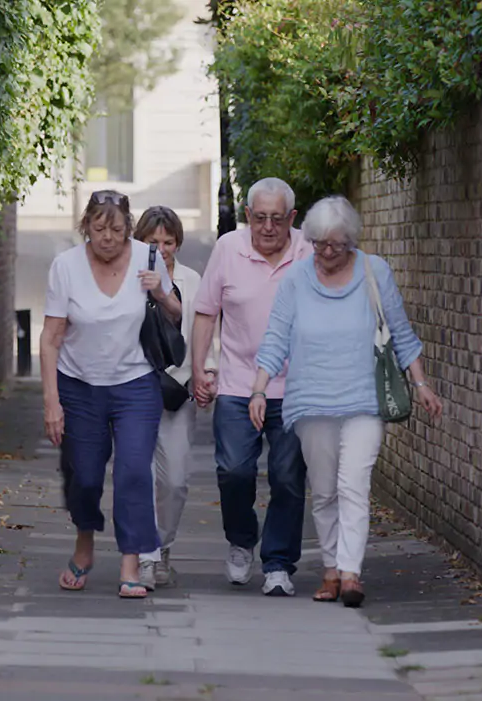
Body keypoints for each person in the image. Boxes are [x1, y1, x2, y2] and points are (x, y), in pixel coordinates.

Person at [249, 195, 443, 608]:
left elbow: (401, 331)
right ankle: (331, 569)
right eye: (319, 244)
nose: (326, 253)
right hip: (311, 402)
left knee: (354, 484)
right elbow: (276, 337)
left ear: (351, 240)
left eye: (335, 245)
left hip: (364, 400)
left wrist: (421, 383)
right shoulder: (297, 279)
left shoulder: (375, 272)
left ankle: (351, 572)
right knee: (323, 491)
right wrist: (260, 389)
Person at [40, 190, 182, 599]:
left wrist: (160, 292)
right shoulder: (66, 266)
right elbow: (50, 338)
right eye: (99, 228)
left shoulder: (147, 257)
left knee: (134, 471)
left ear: (127, 228)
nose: (107, 237)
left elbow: (176, 313)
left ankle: (131, 563)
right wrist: (52, 402)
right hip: (79, 385)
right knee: (84, 477)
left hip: (135, 383)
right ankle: (84, 543)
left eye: (117, 230)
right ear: (86, 225)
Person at [190, 177, 313, 597]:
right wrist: (200, 367)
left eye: (277, 219)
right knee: (233, 471)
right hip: (238, 383)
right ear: (247, 215)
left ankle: (278, 563)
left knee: (288, 477)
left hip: (295, 387)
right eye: (260, 218)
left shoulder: (309, 251)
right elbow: (206, 312)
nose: (268, 227)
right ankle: (242, 540)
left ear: (292, 218)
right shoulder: (229, 248)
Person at [132, 206, 216, 590]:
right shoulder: (126, 274)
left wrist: (205, 374)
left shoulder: (191, 280)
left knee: (175, 481)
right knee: (140, 474)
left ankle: (162, 545)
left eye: (168, 242)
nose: (162, 249)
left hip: (175, 390)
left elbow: (199, 329)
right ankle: (146, 557)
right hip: (133, 387)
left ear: (178, 243)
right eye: (153, 242)